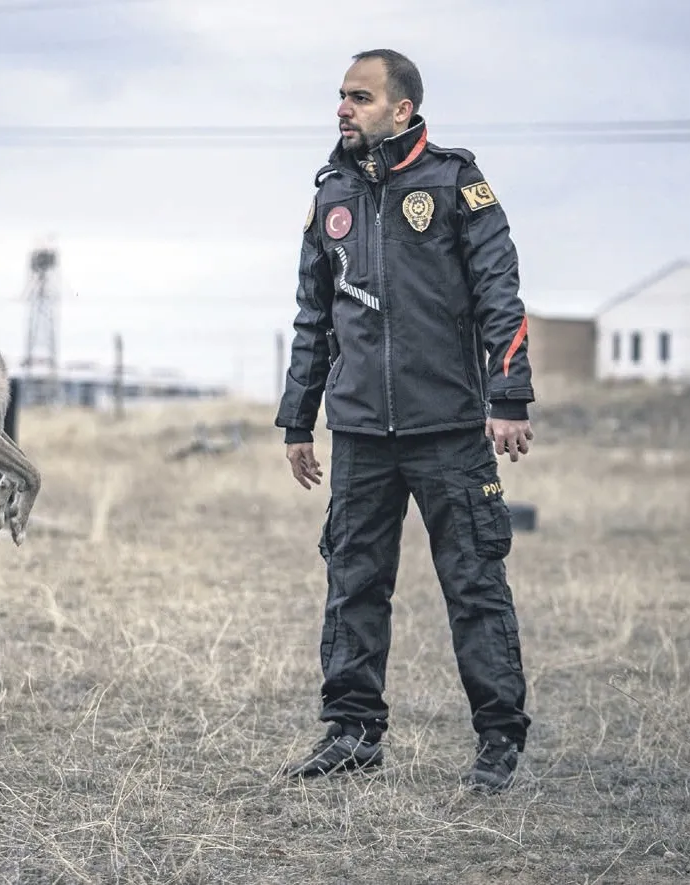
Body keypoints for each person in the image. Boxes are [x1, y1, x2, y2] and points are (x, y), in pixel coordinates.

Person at [274, 48, 535, 794]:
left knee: (473, 585)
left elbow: (499, 295)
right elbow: (311, 318)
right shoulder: (330, 193)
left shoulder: (455, 184)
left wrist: (507, 397)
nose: (342, 109)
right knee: (353, 584)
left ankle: (498, 739)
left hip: (448, 430)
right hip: (358, 435)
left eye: (358, 97)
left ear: (402, 109)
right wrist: (298, 420)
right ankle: (352, 731)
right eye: (340, 97)